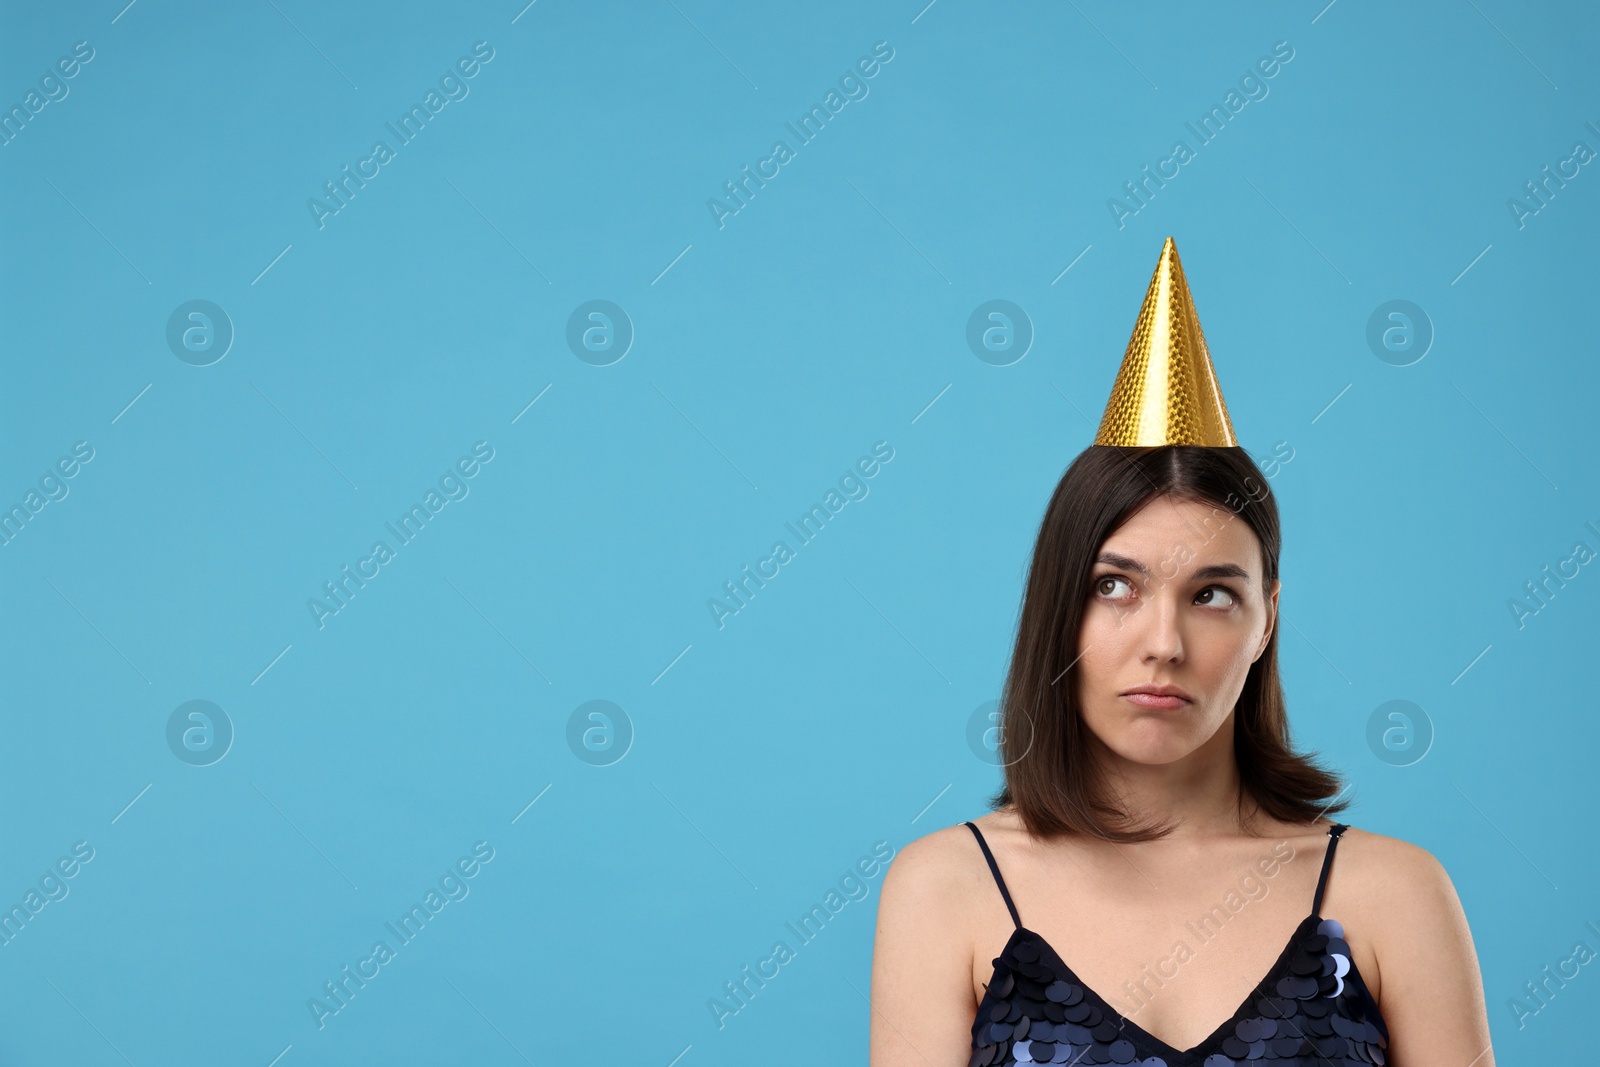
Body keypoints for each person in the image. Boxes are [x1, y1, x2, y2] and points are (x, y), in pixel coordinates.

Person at [869, 239, 1494, 1067]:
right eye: (1115, 586)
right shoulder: (947, 888)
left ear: (1266, 619)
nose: (1163, 644)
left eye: (1210, 594)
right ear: (1059, 608)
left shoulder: (1395, 896)